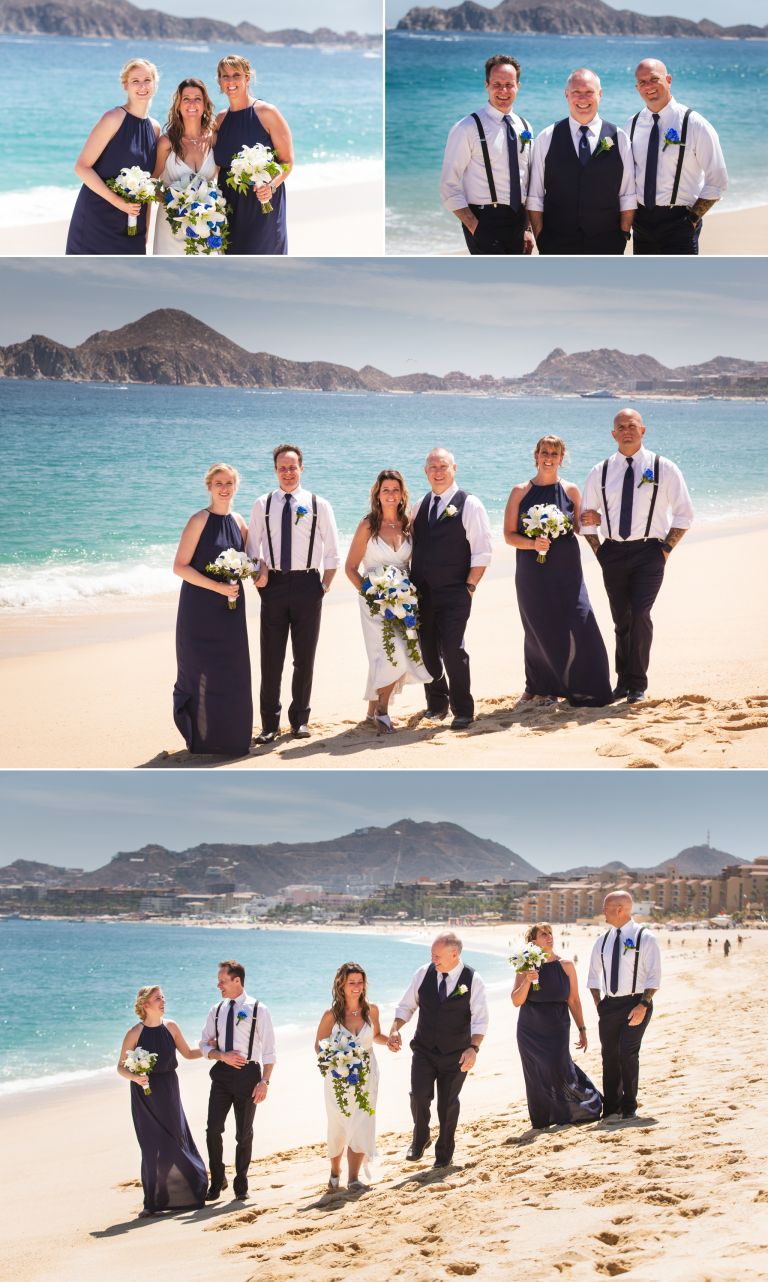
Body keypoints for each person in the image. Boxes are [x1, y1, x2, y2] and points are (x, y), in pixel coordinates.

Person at [580, 408, 694, 703]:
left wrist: (665, 549)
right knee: (622, 619)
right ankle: (623, 682)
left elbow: (684, 514)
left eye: (632, 426)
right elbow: (586, 518)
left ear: (643, 431)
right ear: (613, 434)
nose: (626, 431)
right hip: (612, 552)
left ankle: (638, 684)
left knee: (641, 614)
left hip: (650, 552)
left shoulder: (663, 467)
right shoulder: (600, 471)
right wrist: (600, 551)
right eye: (620, 427)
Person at [503, 435, 612, 707]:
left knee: (579, 620)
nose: (548, 457)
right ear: (536, 455)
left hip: (566, 569)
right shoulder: (520, 491)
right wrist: (532, 543)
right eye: (544, 452)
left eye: (554, 453)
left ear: (561, 459)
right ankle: (539, 686)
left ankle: (589, 686)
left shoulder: (571, 490)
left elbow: (580, 526)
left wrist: (594, 520)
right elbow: (508, 535)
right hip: (532, 569)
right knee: (537, 625)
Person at [247, 444, 340, 743]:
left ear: (302, 468)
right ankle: (269, 725)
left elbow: (333, 552)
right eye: (282, 468)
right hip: (272, 587)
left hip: (308, 587)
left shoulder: (318, 504)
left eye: (292, 467)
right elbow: (252, 550)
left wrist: (323, 587)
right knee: (270, 658)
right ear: (275, 470)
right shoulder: (262, 504)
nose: (288, 473)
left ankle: (300, 719)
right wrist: (258, 576)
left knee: (304, 658)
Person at [387, 932, 488, 1169]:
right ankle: (421, 1137)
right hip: (424, 1050)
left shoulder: (473, 980)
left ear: (454, 954)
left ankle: (444, 1153)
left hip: (456, 1054)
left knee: (447, 1104)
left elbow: (480, 1020)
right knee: (419, 1096)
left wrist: (473, 1048)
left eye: (437, 955)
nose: (433, 959)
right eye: (432, 954)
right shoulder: (423, 973)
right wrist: (394, 1029)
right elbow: (406, 1006)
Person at [172, 462, 253, 755]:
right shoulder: (198, 520)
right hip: (199, 608)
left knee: (232, 672)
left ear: (235, 486)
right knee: (198, 670)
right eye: (218, 483)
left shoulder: (240, 521)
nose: (224, 488)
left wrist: (260, 572)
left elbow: (251, 562)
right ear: (209, 486)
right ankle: (201, 738)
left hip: (231, 609)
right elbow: (179, 567)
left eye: (229, 483)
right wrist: (218, 588)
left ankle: (232, 738)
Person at [410, 448, 492, 730]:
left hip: (455, 591)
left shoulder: (469, 504)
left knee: (453, 649)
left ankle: (463, 709)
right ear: (425, 472)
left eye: (443, 466)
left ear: (453, 468)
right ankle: (436, 704)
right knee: (427, 651)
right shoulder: (419, 504)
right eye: (432, 466)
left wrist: (469, 586)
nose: (438, 471)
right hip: (422, 593)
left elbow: (482, 551)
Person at [344, 469, 431, 732]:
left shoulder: (408, 524)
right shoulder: (368, 525)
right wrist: (372, 596)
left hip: (403, 602)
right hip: (373, 604)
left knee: (388, 655)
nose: (390, 495)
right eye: (386, 490)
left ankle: (372, 710)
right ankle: (383, 710)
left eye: (395, 490)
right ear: (377, 495)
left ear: (402, 494)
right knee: (390, 655)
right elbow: (350, 568)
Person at [117, 985, 207, 1217]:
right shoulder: (134, 1033)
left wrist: (212, 1049)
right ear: (145, 1005)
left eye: (163, 997)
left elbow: (188, 1053)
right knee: (151, 1146)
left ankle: (194, 1189)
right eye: (158, 998)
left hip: (168, 1090)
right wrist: (135, 1077)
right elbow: (120, 1067)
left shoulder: (171, 1027)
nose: (163, 1001)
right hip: (144, 1094)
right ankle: (152, 1202)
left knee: (175, 1139)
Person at [527, 68, 636, 255]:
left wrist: (623, 235)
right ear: (566, 95)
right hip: (556, 244)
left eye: (589, 92)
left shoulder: (620, 138)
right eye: (576, 92)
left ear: (600, 94)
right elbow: (535, 196)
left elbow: (627, 194)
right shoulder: (546, 137)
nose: (582, 99)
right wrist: (541, 237)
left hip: (607, 244)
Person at [626, 58, 728, 256]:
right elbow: (628, 176)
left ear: (669, 79)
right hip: (641, 224)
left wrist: (691, 220)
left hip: (680, 223)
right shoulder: (632, 124)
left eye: (654, 79)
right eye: (642, 82)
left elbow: (718, 181)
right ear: (637, 87)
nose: (648, 86)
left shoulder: (695, 124)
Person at [439, 54, 534, 255]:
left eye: (509, 84)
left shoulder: (524, 126)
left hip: (518, 221)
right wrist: (474, 225)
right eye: (496, 84)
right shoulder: (467, 127)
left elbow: (526, 181)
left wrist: (527, 228)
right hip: (483, 220)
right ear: (486, 85)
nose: (503, 91)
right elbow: (448, 184)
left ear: (518, 85)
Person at [199, 960, 276, 1201]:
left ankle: (241, 1180)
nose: (218, 985)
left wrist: (265, 1081)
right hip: (221, 1075)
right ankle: (217, 1179)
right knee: (213, 1129)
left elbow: (270, 1051)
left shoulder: (258, 1009)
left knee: (243, 1132)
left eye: (222, 981)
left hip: (248, 1075)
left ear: (237, 981)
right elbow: (203, 1045)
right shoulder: (217, 1010)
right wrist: (220, 1055)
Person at [512, 923, 602, 1130]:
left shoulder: (566, 965)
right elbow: (516, 1001)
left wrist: (582, 1029)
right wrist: (527, 980)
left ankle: (575, 1109)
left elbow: (574, 1000)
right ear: (533, 942)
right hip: (530, 1028)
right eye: (543, 934)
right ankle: (543, 1119)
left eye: (550, 933)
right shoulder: (525, 965)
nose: (549, 937)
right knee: (535, 1073)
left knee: (559, 1068)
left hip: (558, 1026)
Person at [66, 58, 160, 255]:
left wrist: (146, 230)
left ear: (154, 83)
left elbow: (149, 184)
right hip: (97, 219)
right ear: (125, 85)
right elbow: (82, 167)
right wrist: (119, 202)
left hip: (132, 223)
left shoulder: (155, 128)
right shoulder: (113, 118)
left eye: (147, 80)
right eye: (135, 81)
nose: (142, 86)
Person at [314, 962, 389, 1192]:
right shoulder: (331, 1015)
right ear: (341, 985)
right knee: (338, 1126)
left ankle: (354, 1178)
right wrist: (336, 1059)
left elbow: (375, 1035)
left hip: (367, 1075)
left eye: (360, 982)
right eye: (351, 983)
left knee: (362, 1123)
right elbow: (318, 1047)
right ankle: (335, 1171)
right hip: (338, 1078)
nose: (357, 987)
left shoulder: (371, 1010)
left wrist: (390, 1041)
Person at [587, 892, 662, 1120]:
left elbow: (654, 977)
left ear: (620, 909)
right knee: (609, 1055)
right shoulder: (602, 941)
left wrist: (643, 1005)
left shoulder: (645, 938)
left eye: (607, 907)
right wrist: (600, 1005)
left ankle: (629, 1106)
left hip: (636, 1002)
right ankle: (611, 1107)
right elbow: (593, 977)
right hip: (609, 1006)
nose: (603, 911)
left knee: (627, 1053)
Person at [213, 54, 293, 255]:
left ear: (247, 78)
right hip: (230, 210)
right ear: (220, 81)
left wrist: (271, 186)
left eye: (236, 75)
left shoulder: (267, 112)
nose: (230, 81)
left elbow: (287, 162)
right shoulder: (220, 120)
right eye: (225, 76)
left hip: (262, 207)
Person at [153, 78, 219, 256]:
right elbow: (152, 183)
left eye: (197, 98)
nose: (192, 103)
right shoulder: (166, 143)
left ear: (205, 105)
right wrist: (178, 203)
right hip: (171, 225)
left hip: (207, 225)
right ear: (178, 105)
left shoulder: (214, 139)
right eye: (186, 99)